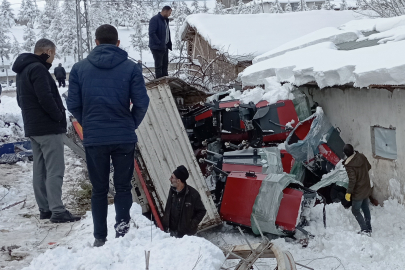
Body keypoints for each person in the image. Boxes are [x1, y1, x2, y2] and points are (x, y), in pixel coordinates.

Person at [67, 24, 150, 247]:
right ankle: (121, 234)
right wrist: (130, 123)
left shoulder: (79, 69)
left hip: (95, 138)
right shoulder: (131, 68)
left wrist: (89, 123)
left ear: (96, 42)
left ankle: (99, 238)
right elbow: (142, 102)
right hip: (123, 137)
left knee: (99, 189)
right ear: (118, 43)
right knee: (123, 187)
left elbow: (73, 103)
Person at [12, 39, 80, 223]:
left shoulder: (23, 70)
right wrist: (59, 115)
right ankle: (57, 210)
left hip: (33, 127)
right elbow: (46, 97)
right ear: (48, 51)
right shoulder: (38, 69)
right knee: (55, 169)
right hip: (47, 128)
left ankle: (45, 209)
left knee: (40, 169)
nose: (53, 57)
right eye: (54, 53)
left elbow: (20, 100)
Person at [162, 165, 207, 238]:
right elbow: (168, 208)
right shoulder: (172, 191)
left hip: (186, 235)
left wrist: (191, 225)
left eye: (172, 177)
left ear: (178, 181)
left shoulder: (193, 194)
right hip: (171, 232)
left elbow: (202, 211)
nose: (170, 179)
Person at [343, 144, 372, 235]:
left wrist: (348, 192)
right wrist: (362, 175)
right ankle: (369, 227)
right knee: (365, 207)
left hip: (358, 191)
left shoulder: (349, 165)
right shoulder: (361, 156)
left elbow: (352, 180)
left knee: (355, 210)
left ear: (345, 153)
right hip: (366, 187)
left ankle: (365, 229)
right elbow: (369, 166)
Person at [148, 6, 172, 79]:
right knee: (159, 67)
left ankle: (165, 82)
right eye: (169, 13)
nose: (170, 14)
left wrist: (167, 44)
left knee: (165, 66)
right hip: (157, 47)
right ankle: (159, 84)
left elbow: (167, 33)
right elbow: (152, 33)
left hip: (164, 46)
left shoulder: (166, 20)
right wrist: (159, 42)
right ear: (165, 11)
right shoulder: (154, 19)